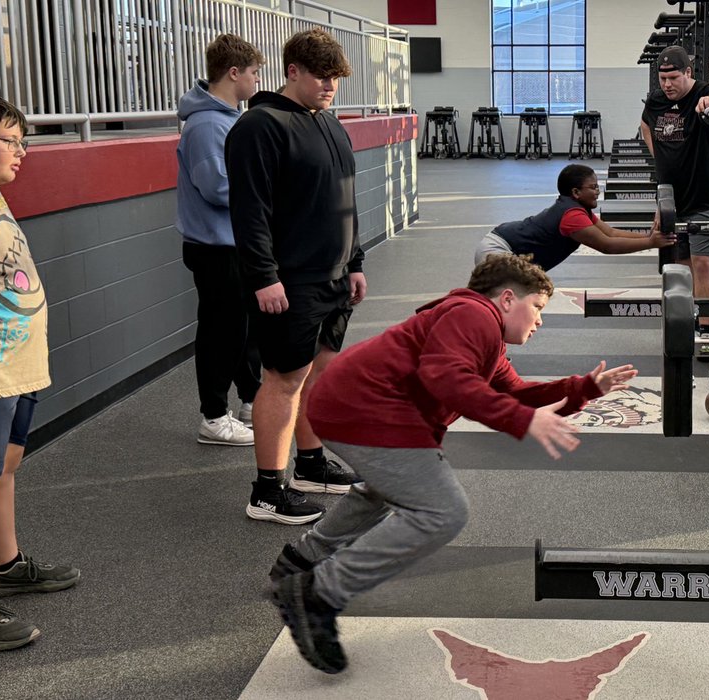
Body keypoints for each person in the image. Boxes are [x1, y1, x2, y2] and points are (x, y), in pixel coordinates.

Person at [267, 254, 637, 674]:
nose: (540, 321)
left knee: (389, 489)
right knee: (442, 511)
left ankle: (300, 562)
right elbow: (446, 378)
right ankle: (318, 593)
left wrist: (584, 387)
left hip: (353, 404)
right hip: (366, 409)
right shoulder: (472, 315)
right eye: (537, 307)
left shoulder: (484, 332)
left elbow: (514, 394)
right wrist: (524, 421)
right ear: (508, 298)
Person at [226, 28, 366, 525]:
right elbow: (250, 212)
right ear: (293, 71)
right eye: (322, 77)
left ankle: (310, 464)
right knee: (283, 380)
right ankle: (267, 489)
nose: (331, 86)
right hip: (290, 279)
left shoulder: (327, 122)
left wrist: (355, 261)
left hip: (333, 277)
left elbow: (345, 199)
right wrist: (264, 276)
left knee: (320, 373)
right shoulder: (259, 127)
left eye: (336, 78)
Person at [0, 91, 80, 651]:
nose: (21, 151)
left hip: (18, 362)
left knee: (4, 467)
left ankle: (4, 564)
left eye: (22, 141)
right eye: (9, 140)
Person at [176, 34, 265, 447]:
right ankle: (213, 417)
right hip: (215, 248)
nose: (257, 80)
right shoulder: (208, 124)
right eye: (253, 73)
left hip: (234, 244)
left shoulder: (229, 119)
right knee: (221, 332)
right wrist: (269, 193)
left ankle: (251, 400)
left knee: (244, 328)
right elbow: (217, 188)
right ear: (233, 73)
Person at [639, 45, 709, 347]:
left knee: (705, 262)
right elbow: (645, 125)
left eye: (673, 78)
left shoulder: (704, 93)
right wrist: (660, 159)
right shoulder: (656, 100)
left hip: (705, 195)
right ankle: (689, 319)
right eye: (662, 79)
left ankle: (705, 329)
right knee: (684, 263)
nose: (667, 85)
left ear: (688, 73)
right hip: (673, 199)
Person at [473, 164, 676, 270]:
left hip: (506, 245)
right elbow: (607, 245)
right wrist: (651, 243)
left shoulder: (580, 210)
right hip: (499, 249)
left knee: (520, 298)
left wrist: (650, 236)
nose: (597, 191)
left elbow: (611, 233)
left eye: (598, 186)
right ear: (576, 192)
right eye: (593, 187)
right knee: (510, 302)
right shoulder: (572, 216)